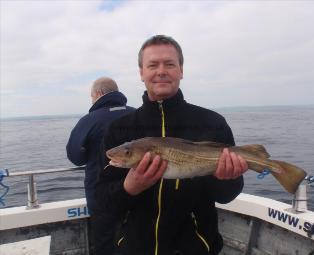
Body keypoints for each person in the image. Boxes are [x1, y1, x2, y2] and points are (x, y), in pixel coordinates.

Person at [95, 35, 248, 255]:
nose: (161, 71)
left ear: (181, 70)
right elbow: (103, 202)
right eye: (152, 65)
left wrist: (227, 178)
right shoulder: (119, 130)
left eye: (169, 64)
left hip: (196, 248)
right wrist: (129, 187)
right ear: (141, 73)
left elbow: (227, 195)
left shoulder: (212, 123)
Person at [66, 77, 135, 214]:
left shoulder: (88, 121)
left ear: (98, 94)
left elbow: (75, 158)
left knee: (104, 234)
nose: (91, 100)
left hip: (101, 198)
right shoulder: (137, 114)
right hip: (138, 193)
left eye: (91, 96)